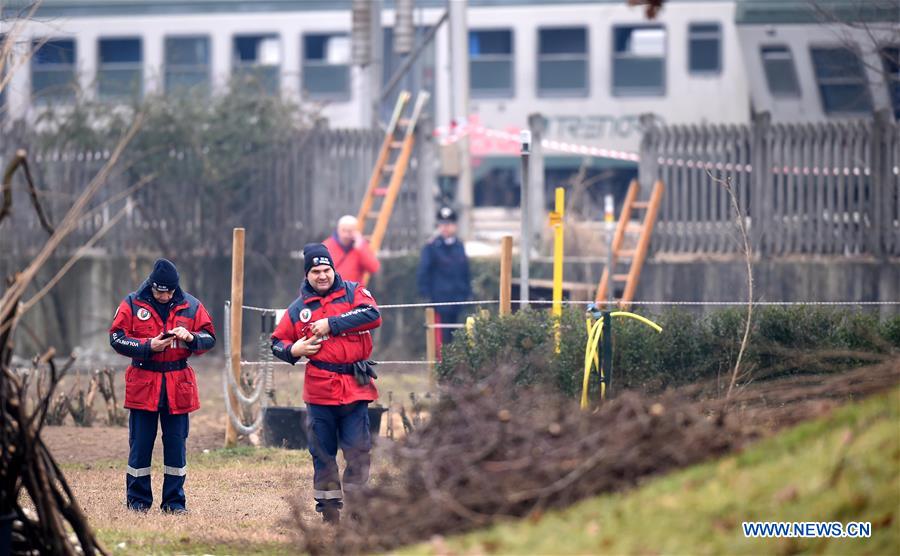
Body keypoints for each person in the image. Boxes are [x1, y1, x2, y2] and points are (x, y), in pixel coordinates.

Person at [271, 243, 382, 525]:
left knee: (358, 449)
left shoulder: (353, 291)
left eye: (327, 270)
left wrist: (332, 323)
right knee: (323, 454)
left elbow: (373, 315)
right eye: (316, 271)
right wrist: (294, 350)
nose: (323, 276)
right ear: (307, 275)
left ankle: (358, 509)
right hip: (320, 391)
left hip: (355, 388)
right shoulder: (298, 309)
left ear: (334, 270)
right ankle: (329, 511)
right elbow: (276, 342)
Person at [109, 258, 215, 514]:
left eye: (169, 291)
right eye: (159, 291)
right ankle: (138, 502)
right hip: (144, 383)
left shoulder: (191, 305)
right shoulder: (133, 303)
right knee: (141, 446)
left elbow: (210, 338)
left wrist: (191, 338)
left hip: (178, 385)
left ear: (175, 288)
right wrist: (148, 346)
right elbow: (116, 337)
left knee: (176, 447)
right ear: (151, 286)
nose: (164, 296)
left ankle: (174, 503)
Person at [416, 206, 472, 354]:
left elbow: (465, 272)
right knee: (440, 339)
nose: (445, 228)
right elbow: (424, 272)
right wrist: (426, 295)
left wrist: (466, 293)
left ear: (455, 225)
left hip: (457, 299)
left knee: (456, 336)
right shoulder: (432, 247)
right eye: (442, 224)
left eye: (449, 224)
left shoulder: (459, 246)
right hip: (438, 300)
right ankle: (441, 368)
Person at [322, 215, 381, 283]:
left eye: (350, 231)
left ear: (355, 231)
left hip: (353, 291)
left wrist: (360, 248)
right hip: (332, 291)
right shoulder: (327, 246)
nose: (346, 235)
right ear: (338, 230)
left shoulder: (361, 245)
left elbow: (374, 268)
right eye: (343, 230)